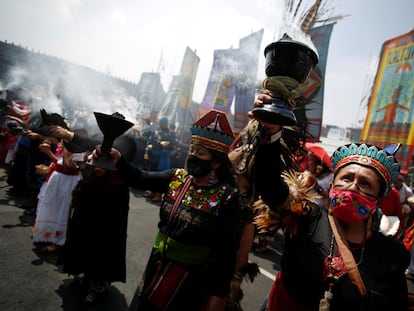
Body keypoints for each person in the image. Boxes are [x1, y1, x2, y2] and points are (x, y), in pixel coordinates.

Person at [252, 91, 409, 311]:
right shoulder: (306, 217)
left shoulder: (392, 256)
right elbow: (269, 185)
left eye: (365, 184)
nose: (353, 186)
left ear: (379, 200)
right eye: (346, 178)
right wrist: (270, 131)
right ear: (332, 186)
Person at [94, 110, 246, 311]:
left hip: (191, 277)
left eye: (200, 153)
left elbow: (226, 255)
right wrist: (118, 160)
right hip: (157, 264)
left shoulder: (229, 198)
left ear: (216, 162)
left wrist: (217, 295)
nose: (192, 155)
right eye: (192, 150)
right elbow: (140, 177)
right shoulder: (177, 177)